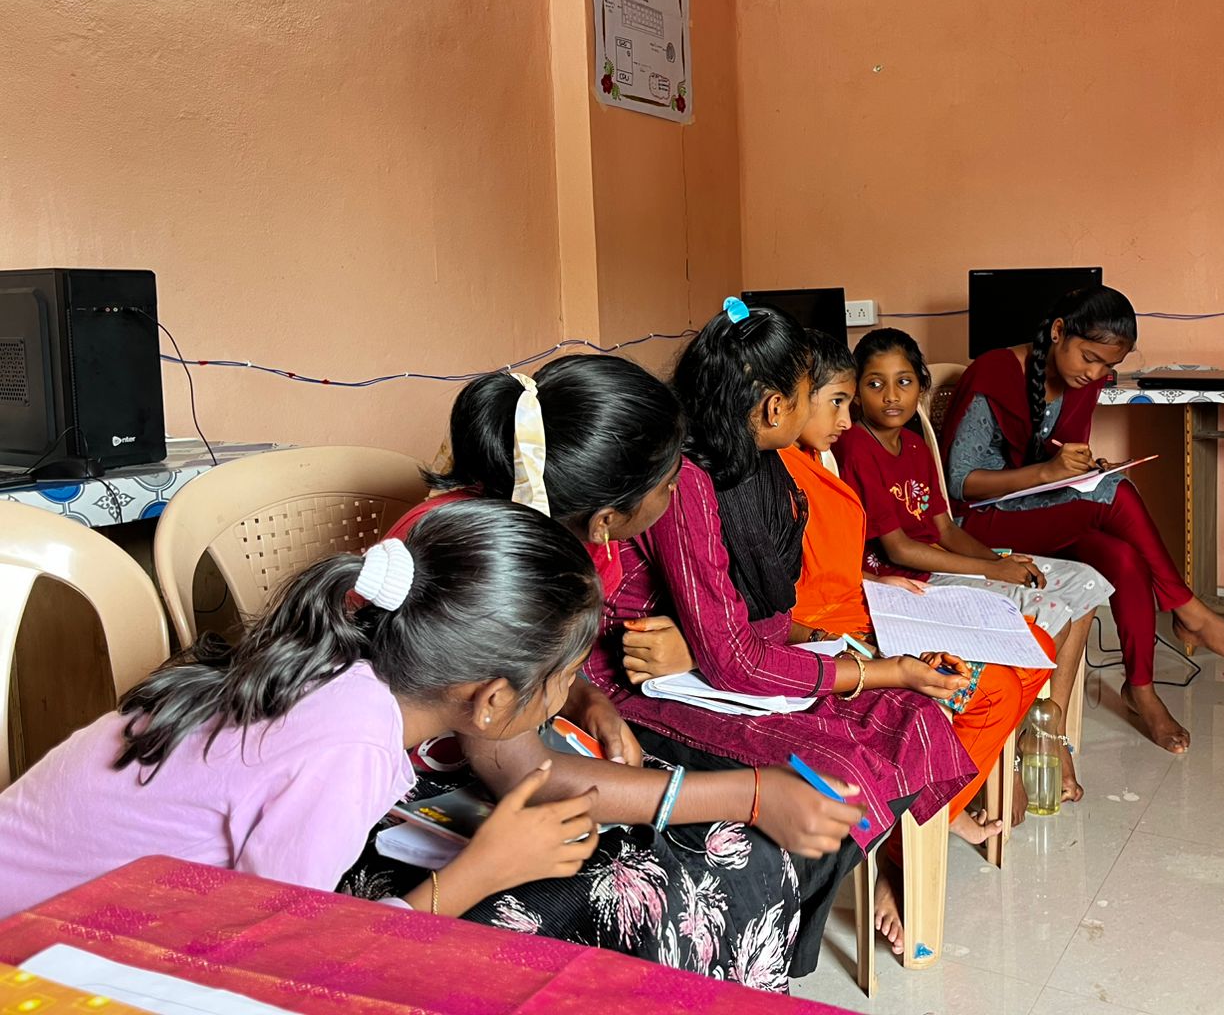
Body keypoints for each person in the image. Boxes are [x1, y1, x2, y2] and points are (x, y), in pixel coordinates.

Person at [345, 356, 867, 989]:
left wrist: (585, 698)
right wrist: (752, 793)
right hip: (399, 800)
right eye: (668, 485)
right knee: (655, 891)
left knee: (735, 851)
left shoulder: (545, 529)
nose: (676, 498)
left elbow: (524, 683)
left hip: (496, 744)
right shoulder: (489, 570)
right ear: (606, 521)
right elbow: (526, 774)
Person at [0, 500, 604, 921]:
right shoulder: (348, 745)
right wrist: (484, 870)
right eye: (567, 676)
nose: (570, 692)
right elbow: (281, 944)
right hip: (33, 955)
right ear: (492, 700)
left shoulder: (333, 657)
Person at [588, 300, 975, 955]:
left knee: (913, 715)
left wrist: (843, 657)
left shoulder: (757, 469)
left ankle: (885, 871)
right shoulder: (685, 482)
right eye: (811, 396)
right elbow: (734, 660)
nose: (833, 415)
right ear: (774, 409)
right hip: (640, 683)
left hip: (706, 661)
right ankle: (804, 927)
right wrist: (882, 669)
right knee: (843, 766)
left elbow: (754, 622)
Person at [940, 285, 1224, 755]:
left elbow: (1057, 457)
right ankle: (1189, 611)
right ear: (1058, 331)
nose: (1096, 374)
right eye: (1090, 358)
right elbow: (959, 484)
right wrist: (1047, 473)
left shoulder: (1083, 382)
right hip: (979, 523)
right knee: (1116, 495)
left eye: (1108, 366)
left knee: (1123, 557)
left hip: (1037, 512)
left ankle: (1141, 689)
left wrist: (1081, 470)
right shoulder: (994, 372)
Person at [831, 328, 1111, 803]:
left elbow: (944, 529)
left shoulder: (915, 446)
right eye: (875, 384)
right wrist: (991, 572)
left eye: (903, 382)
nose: (891, 395)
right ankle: (1018, 744)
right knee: (1048, 611)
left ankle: (1050, 728)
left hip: (944, 561)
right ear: (856, 392)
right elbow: (899, 550)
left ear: (920, 386)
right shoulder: (857, 446)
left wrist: (998, 559)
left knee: (1082, 584)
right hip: (910, 581)